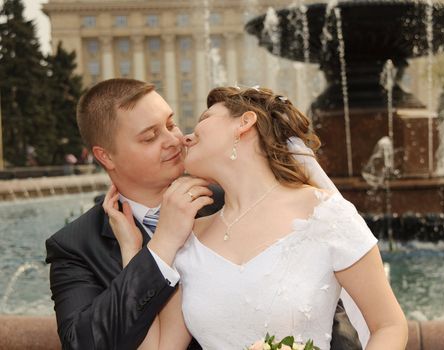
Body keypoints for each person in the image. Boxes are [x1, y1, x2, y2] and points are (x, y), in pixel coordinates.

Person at [45, 78, 362, 350]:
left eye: (170, 124)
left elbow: (326, 314)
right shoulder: (75, 245)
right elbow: (82, 343)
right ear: (106, 156)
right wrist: (157, 248)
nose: (174, 140)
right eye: (150, 137)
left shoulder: (243, 201)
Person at [105, 86, 408, 349]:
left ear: (245, 123)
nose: (184, 137)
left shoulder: (326, 215)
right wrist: (133, 252)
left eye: (204, 119)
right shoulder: (188, 236)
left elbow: (389, 326)